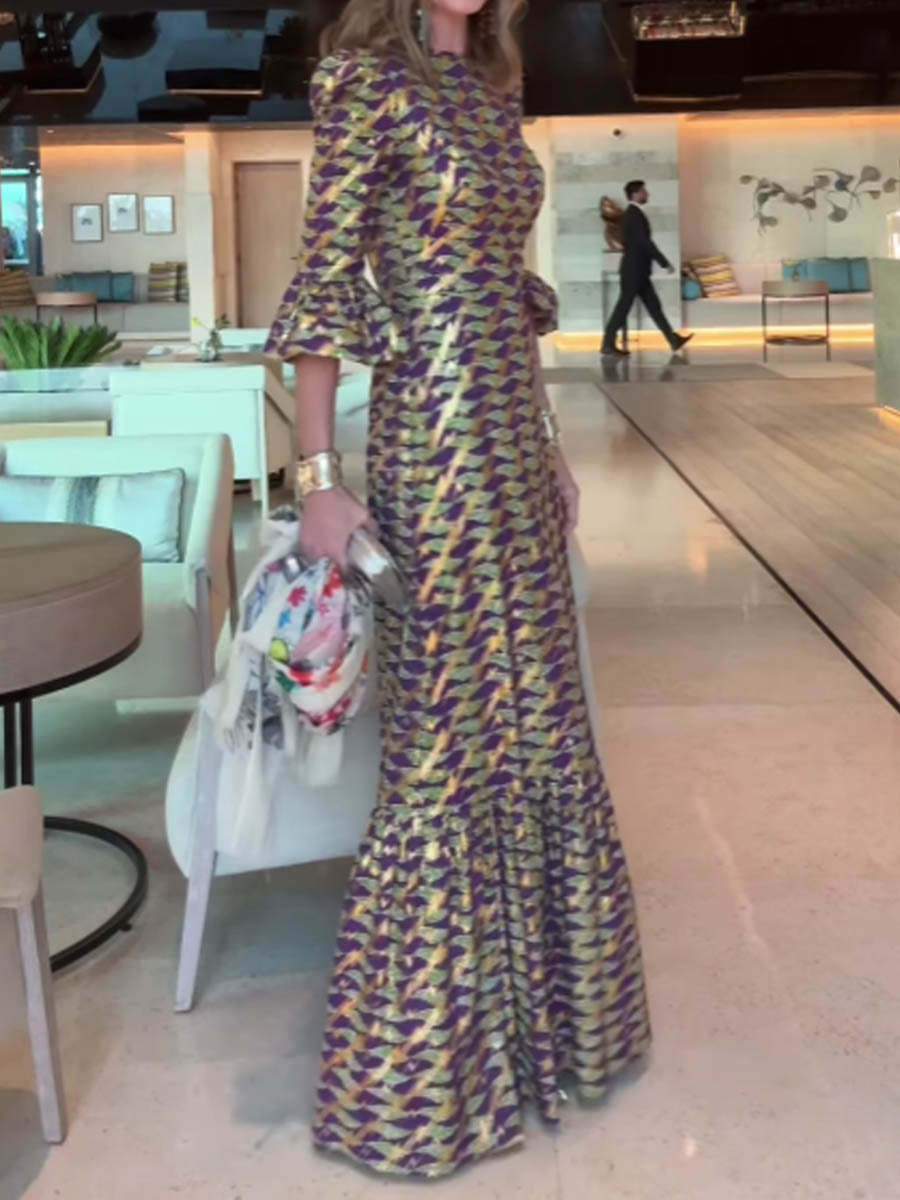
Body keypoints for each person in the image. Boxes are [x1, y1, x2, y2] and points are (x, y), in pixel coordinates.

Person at [266, 0, 650, 1178]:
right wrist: (317, 478)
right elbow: (327, 281)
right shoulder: (362, 86)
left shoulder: (493, 91)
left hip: (514, 457)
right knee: (444, 748)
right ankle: (429, 1076)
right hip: (431, 456)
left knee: (543, 726)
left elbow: (505, 298)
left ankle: (554, 1032)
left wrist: (553, 445)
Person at [601, 179, 692, 358]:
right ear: (635, 194)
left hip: (638, 271)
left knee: (654, 307)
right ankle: (607, 344)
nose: (647, 194)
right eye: (644, 191)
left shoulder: (633, 214)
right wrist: (664, 262)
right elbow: (644, 242)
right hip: (634, 271)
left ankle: (673, 340)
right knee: (623, 308)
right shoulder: (634, 215)